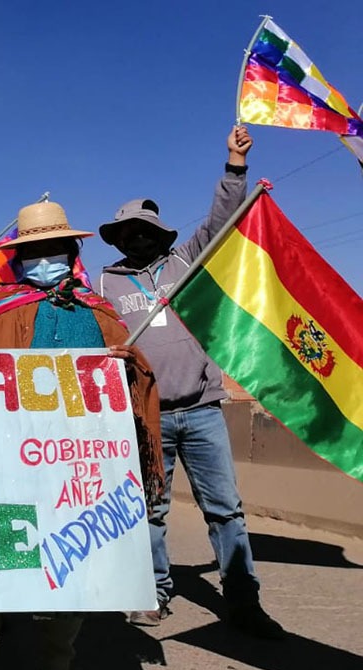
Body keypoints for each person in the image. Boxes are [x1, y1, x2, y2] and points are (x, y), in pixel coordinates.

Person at [0, 200, 164, 670]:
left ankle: (58, 662)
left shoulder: (100, 314)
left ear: (72, 253)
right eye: (35, 251)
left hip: (78, 470)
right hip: (9, 467)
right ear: (19, 259)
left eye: (54, 249)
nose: (45, 259)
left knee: (74, 567)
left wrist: (125, 365)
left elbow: (136, 381)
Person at [97, 125, 285, 640]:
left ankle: (244, 601)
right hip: (148, 415)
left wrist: (235, 164)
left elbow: (224, 219)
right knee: (151, 510)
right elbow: (98, 339)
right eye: (128, 232)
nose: (137, 238)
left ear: (161, 235)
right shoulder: (106, 282)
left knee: (226, 510)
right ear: (118, 239)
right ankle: (153, 593)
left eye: (145, 230)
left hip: (203, 410)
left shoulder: (189, 261)